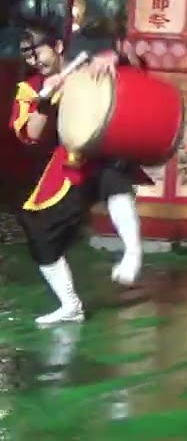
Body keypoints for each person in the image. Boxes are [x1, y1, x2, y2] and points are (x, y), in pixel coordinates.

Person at [10, 19, 146, 326]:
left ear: (57, 47)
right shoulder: (30, 89)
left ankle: (132, 252)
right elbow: (30, 136)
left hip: (105, 151)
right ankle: (70, 305)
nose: (33, 61)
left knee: (112, 175)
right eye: (27, 56)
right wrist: (44, 101)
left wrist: (116, 56)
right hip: (68, 158)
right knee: (36, 225)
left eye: (37, 53)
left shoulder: (89, 68)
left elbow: (137, 65)